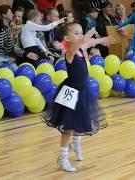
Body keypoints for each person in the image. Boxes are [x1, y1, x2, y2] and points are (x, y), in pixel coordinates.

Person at [42, 24, 112, 172]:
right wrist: (85, 37)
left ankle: (76, 144)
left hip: (82, 91)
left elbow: (89, 43)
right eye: (76, 33)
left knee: (80, 119)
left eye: (81, 33)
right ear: (67, 38)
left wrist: (102, 40)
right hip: (71, 92)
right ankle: (62, 158)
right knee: (69, 126)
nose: (80, 35)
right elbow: (78, 45)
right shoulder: (69, 52)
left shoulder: (81, 48)